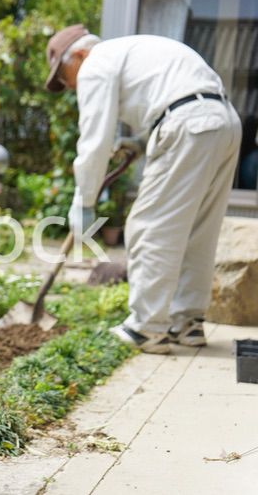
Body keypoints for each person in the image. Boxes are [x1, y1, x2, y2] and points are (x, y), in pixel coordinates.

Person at [44, 25, 242, 354]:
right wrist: (139, 142)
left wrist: (84, 201)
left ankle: (146, 327)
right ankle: (187, 322)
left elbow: (94, 141)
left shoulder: (95, 63)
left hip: (188, 123)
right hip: (224, 123)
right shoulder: (132, 50)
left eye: (65, 78)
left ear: (78, 55)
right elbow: (179, 98)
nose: (69, 87)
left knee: (148, 226)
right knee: (199, 230)